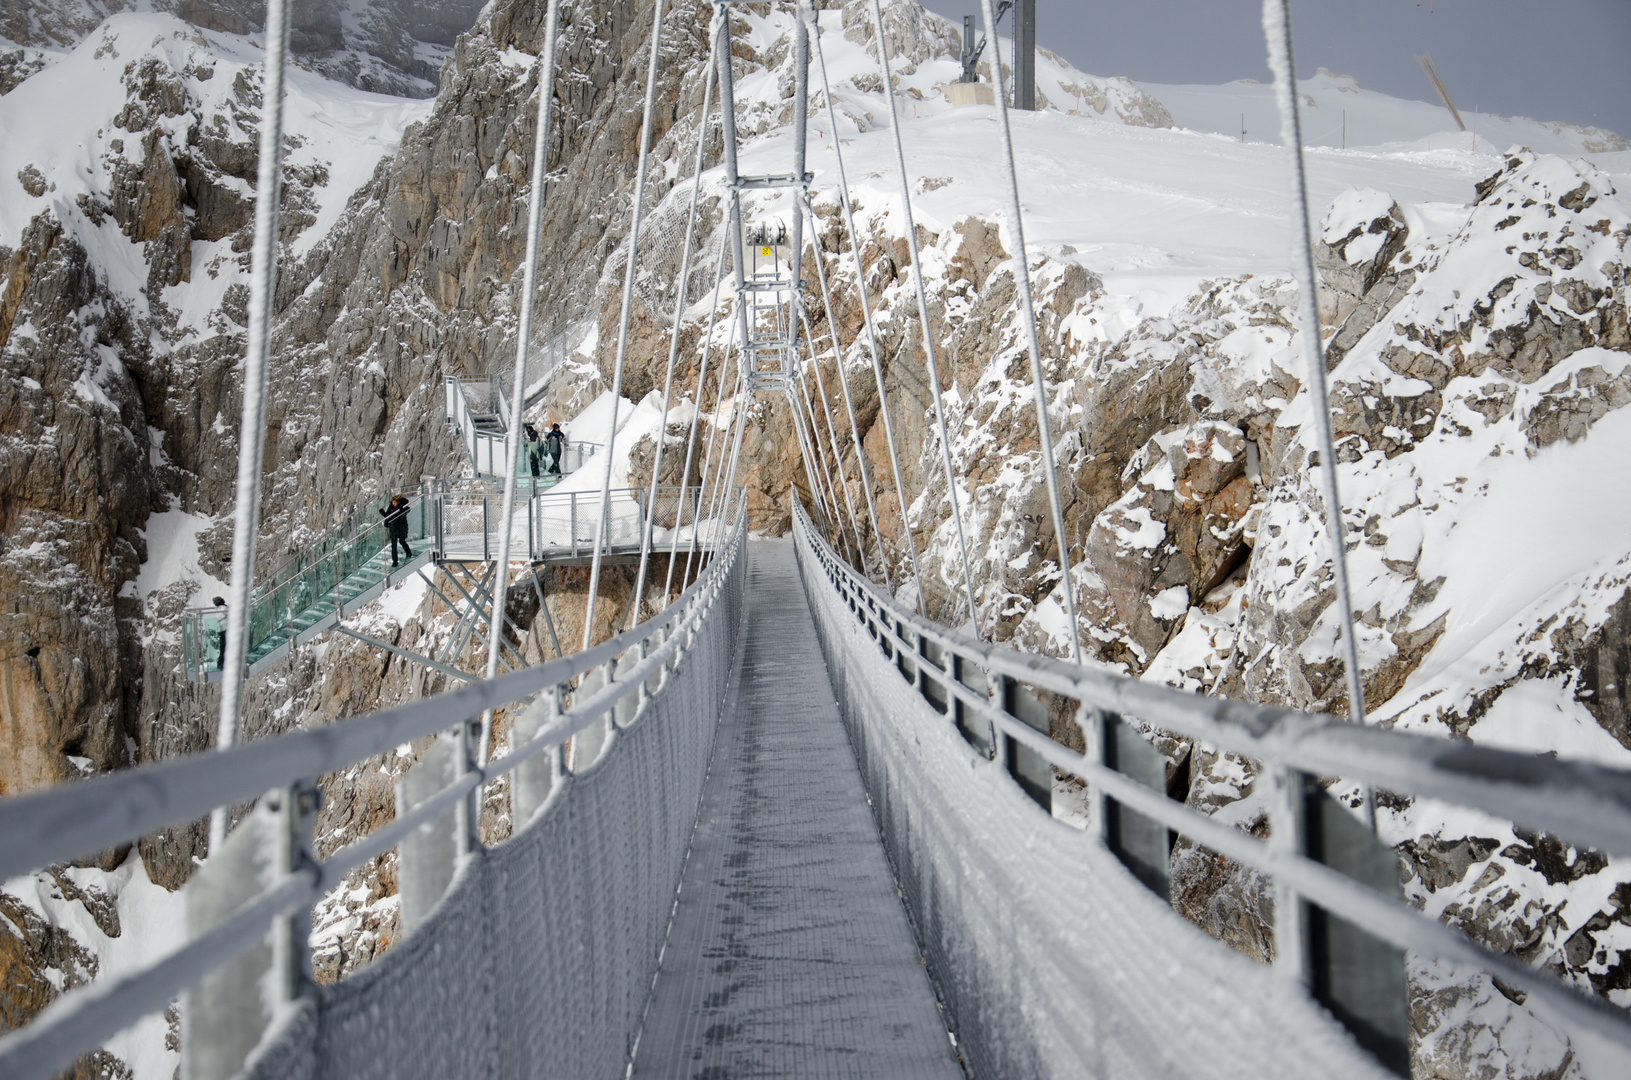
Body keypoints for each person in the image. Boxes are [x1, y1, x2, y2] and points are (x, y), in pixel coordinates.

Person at [381, 494, 413, 567]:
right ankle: (395, 562)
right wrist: (383, 513)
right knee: (394, 545)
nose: (393, 504)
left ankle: (408, 553)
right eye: (393, 502)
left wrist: (401, 509)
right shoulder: (391, 506)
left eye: (395, 502)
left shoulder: (403, 506)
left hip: (401, 527)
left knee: (402, 541)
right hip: (393, 528)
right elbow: (388, 515)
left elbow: (407, 510)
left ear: (398, 502)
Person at [211, 596, 228, 671]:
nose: (224, 599)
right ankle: (223, 663)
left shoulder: (217, 609)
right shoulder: (223, 608)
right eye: (222, 599)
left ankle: (220, 663)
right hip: (226, 629)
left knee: (223, 647)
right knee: (226, 646)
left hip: (221, 630)